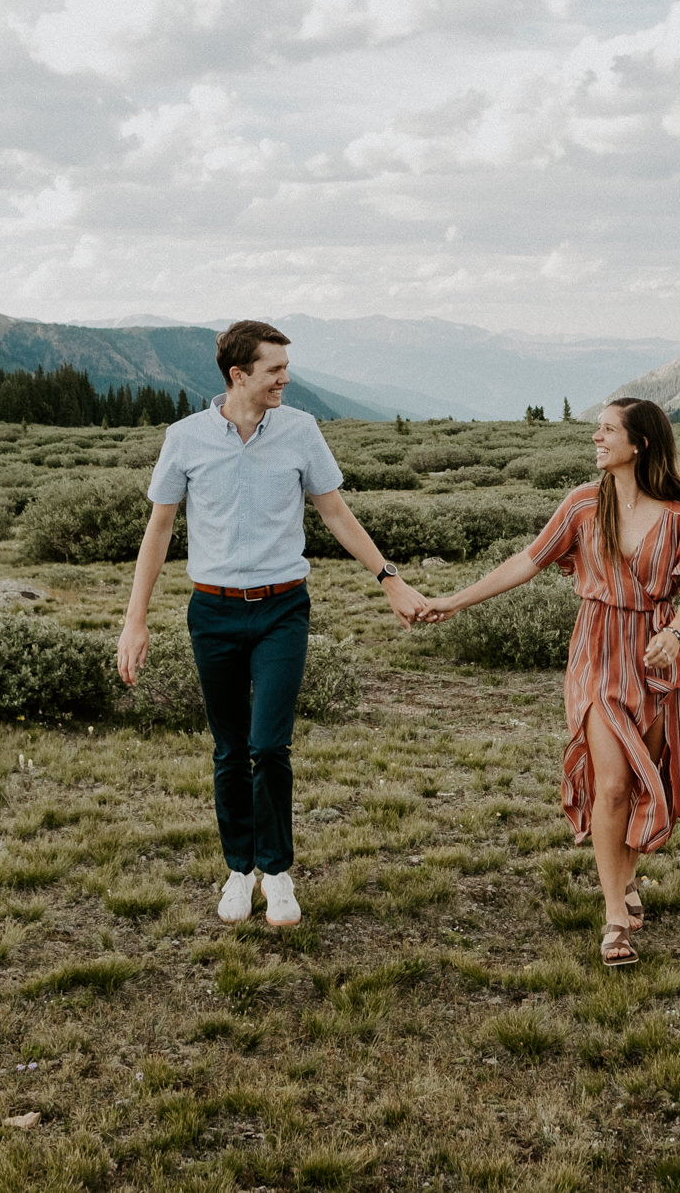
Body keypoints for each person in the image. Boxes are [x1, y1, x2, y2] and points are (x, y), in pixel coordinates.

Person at [119, 320, 432, 928]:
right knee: (231, 750)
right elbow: (158, 530)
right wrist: (136, 620)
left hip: (283, 608)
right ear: (239, 376)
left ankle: (278, 871)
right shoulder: (183, 439)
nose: (286, 379)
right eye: (274, 370)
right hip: (211, 611)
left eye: (285, 368)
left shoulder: (301, 431)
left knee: (270, 744)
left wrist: (390, 578)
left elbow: (336, 513)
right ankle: (240, 871)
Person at [421, 397, 680, 966]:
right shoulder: (584, 504)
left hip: (655, 659)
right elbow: (527, 561)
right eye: (597, 430)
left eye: (607, 431)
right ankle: (615, 920)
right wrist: (453, 602)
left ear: (640, 444)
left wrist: (677, 633)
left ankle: (626, 875)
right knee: (610, 784)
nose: (596, 439)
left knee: (642, 780)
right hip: (597, 653)